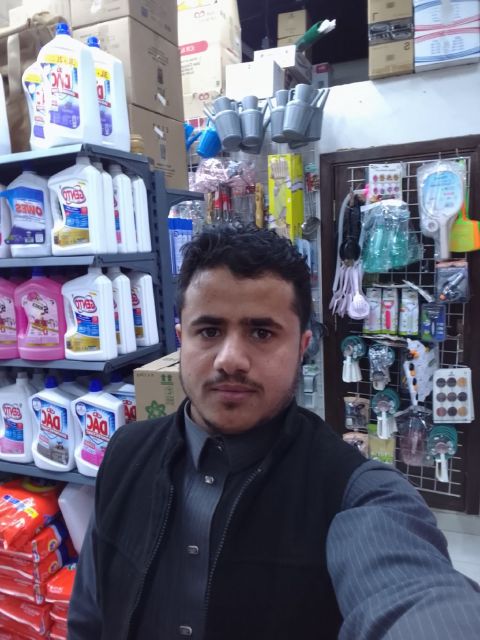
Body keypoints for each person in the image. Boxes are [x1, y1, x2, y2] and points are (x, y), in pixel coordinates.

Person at [68, 224, 480, 640]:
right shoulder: (125, 453)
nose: (230, 359)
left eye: (261, 333)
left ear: (302, 347)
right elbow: (89, 616)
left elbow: (411, 593)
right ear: (181, 340)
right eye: (209, 331)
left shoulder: (353, 491)